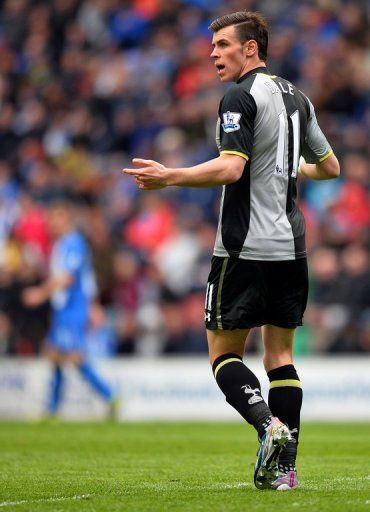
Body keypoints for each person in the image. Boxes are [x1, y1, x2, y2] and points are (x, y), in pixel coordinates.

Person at [123, 10, 340, 490]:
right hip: (292, 247)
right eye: (213, 45)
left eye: (223, 44)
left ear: (250, 49)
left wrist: (169, 177)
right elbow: (330, 167)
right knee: (280, 356)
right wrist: (288, 169)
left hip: (244, 248)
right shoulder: (298, 98)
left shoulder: (239, 96)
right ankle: (285, 472)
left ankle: (270, 427)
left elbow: (229, 170)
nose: (213, 53)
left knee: (223, 353)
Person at [22, 200, 117, 419]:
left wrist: (40, 293)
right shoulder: (62, 244)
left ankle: (110, 396)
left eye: (56, 218)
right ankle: (53, 409)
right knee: (54, 355)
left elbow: (68, 278)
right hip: (63, 309)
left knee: (75, 357)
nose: (52, 224)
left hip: (73, 310)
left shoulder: (73, 243)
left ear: (66, 219)